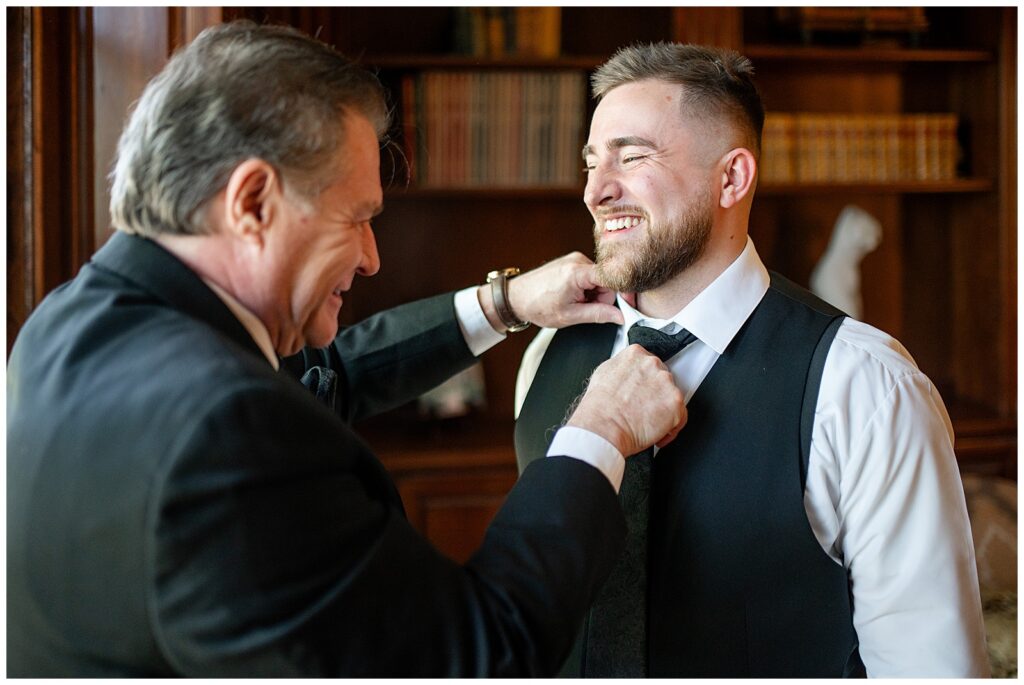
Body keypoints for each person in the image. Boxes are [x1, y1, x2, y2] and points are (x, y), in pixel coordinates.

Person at [6, 22, 688, 677]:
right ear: (252, 202)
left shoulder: (69, 322)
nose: (371, 258)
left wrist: (503, 302)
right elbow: (479, 654)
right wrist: (600, 428)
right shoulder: (224, 434)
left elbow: (313, 381)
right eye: (357, 218)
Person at [515, 43, 990, 678]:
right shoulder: (546, 354)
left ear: (732, 178)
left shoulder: (867, 385)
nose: (596, 192)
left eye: (631, 157)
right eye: (591, 162)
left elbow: (929, 669)